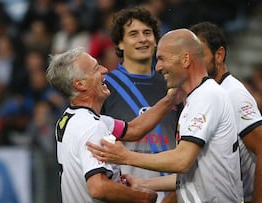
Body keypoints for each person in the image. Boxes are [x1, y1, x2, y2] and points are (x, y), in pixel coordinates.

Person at [87, 29, 244, 203]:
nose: (158, 67)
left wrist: (127, 157)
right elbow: (193, 173)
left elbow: (182, 160)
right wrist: (142, 182)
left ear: (185, 60)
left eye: (162, 58)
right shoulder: (193, 98)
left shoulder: (208, 96)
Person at [45, 47, 185, 202]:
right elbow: (98, 187)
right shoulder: (91, 127)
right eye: (96, 69)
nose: (105, 70)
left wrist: (170, 99)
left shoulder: (70, 118)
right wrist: (143, 197)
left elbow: (134, 130)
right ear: (80, 84)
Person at [190, 21, 262, 203]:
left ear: (219, 55)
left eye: (200, 54)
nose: (193, 63)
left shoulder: (234, 94)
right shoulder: (202, 95)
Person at [101, 7, 181, 202]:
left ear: (156, 40)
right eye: (133, 34)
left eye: (147, 33)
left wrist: (174, 193)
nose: (142, 39)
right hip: (126, 192)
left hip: (171, 193)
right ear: (120, 43)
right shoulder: (105, 86)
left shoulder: (172, 85)